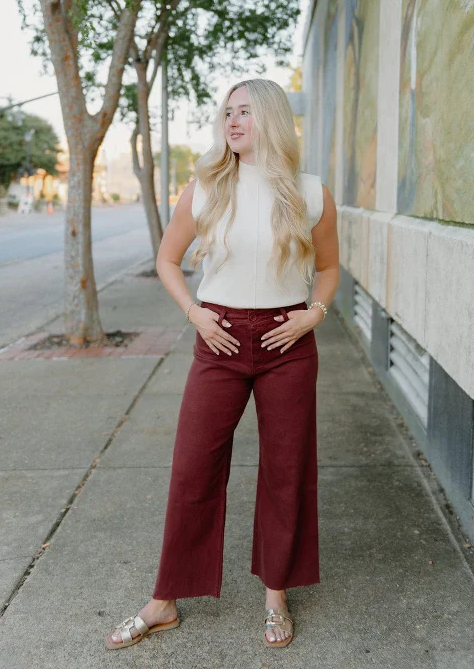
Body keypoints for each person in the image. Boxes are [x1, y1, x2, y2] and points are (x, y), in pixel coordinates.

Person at [105, 78, 340, 651]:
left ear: (273, 121)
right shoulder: (205, 189)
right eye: (228, 112)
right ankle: (164, 600)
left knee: (286, 470)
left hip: (288, 342)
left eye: (246, 113)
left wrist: (314, 314)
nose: (232, 122)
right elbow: (166, 258)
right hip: (220, 338)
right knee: (193, 468)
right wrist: (196, 313)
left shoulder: (311, 193)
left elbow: (329, 269)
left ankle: (276, 594)